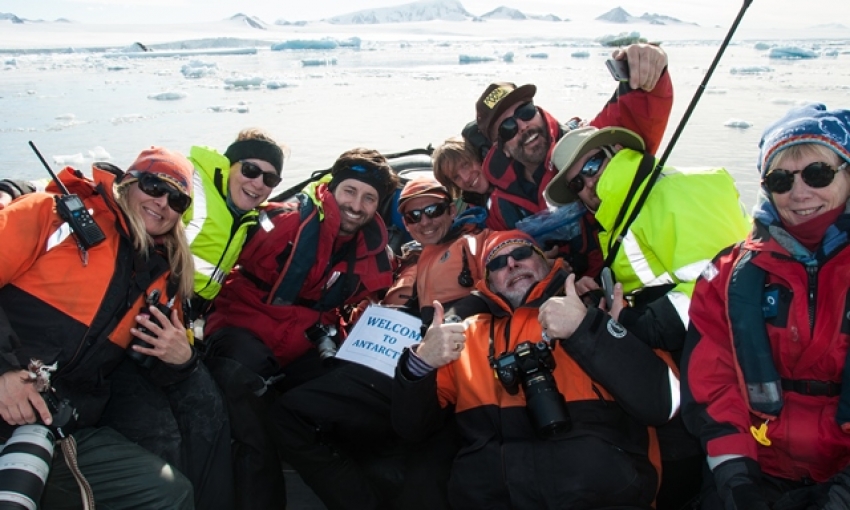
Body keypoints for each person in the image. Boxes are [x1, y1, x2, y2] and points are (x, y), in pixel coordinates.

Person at [393, 229, 679, 509]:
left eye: (521, 253)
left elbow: (663, 402)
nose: (511, 264)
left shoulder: (597, 308)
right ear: (488, 282)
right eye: (496, 263)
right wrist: (421, 363)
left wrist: (588, 330)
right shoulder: (462, 336)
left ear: (546, 261)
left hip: (602, 496)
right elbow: (411, 428)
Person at [543, 125, 751, 509]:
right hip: (696, 352)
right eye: (576, 185)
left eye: (592, 165)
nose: (588, 185)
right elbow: (661, 276)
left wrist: (633, 324)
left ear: (618, 150)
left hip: (734, 359)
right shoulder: (625, 210)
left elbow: (722, 287)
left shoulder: (676, 190)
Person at [0, 148, 207, 509]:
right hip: (9, 389)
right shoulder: (50, 216)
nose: (162, 202)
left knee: (168, 492)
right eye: (154, 184)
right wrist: (4, 371)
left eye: (177, 199)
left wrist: (182, 360)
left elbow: (157, 366)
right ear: (128, 182)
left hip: (55, 426)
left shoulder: (162, 280)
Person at [203, 147, 398, 510]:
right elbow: (221, 251)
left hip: (303, 343)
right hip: (242, 328)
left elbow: (374, 299)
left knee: (350, 402)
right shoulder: (283, 222)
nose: (357, 204)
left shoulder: (373, 252)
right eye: (350, 191)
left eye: (370, 197)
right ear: (332, 189)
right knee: (249, 393)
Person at [681, 104, 850, 510]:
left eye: (818, 173)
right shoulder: (726, 276)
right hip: (761, 464)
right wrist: (737, 480)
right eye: (780, 179)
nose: (800, 192)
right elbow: (713, 383)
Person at [474, 44, 674, 277]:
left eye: (526, 112)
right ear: (503, 150)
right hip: (555, 298)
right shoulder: (501, 205)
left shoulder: (590, 143)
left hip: (624, 280)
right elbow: (498, 253)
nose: (523, 126)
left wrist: (650, 68)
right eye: (508, 128)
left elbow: (637, 111)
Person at [185, 128, 286, 320]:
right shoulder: (190, 187)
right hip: (151, 299)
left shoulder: (246, 219)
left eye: (270, 178)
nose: (258, 184)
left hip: (190, 311)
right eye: (250, 170)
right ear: (228, 165)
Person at [431, 135, 491, 211]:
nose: (465, 178)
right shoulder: (468, 214)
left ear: (480, 157)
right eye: (456, 177)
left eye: (465, 165)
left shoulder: (510, 183)